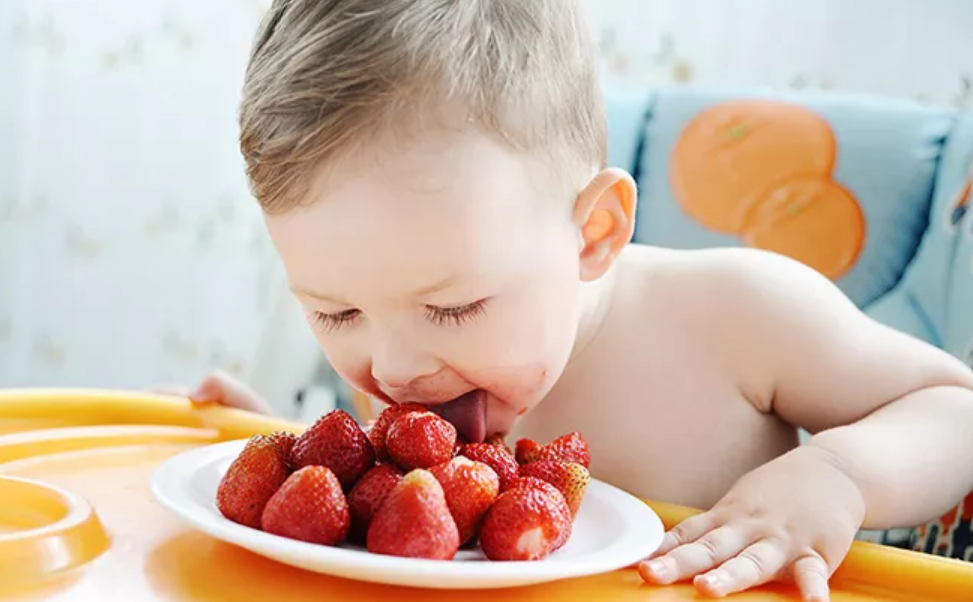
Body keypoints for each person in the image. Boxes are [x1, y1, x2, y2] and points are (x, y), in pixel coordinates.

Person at [182, 1, 973, 599]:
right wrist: (276, 456)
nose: (388, 365)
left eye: (452, 308)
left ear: (593, 232)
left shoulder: (733, 314)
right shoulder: (419, 358)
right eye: (335, 313)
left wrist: (837, 472)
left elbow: (952, 407)